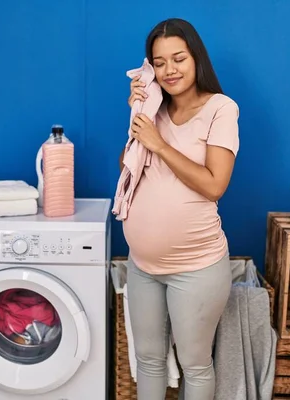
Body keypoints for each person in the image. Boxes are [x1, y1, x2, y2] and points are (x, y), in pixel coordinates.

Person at [120, 18, 240, 399]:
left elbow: (214, 184)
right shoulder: (151, 110)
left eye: (178, 59)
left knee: (195, 364)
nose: (169, 70)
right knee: (148, 359)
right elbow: (128, 168)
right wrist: (138, 113)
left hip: (197, 266)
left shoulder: (220, 108)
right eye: (159, 62)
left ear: (196, 58)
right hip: (142, 264)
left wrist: (158, 143)